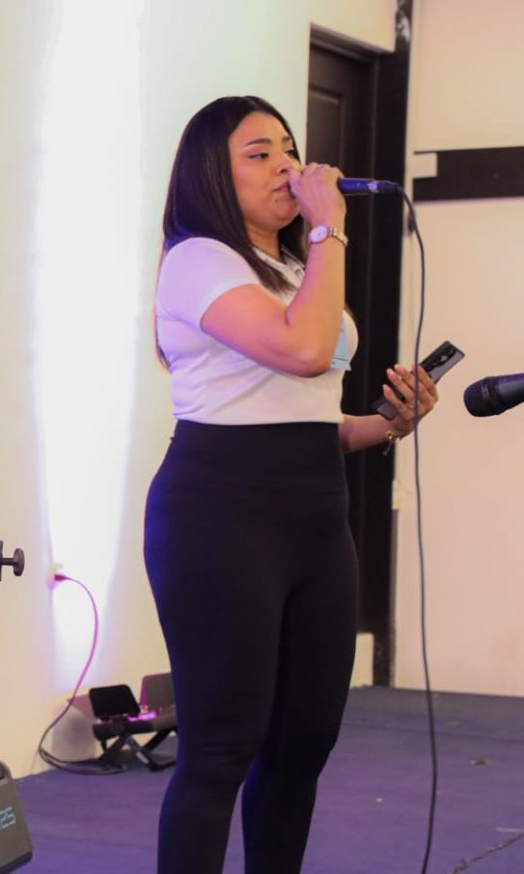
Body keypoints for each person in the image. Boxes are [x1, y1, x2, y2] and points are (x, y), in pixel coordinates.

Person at [144, 95, 438, 873]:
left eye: (288, 147)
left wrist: (389, 422)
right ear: (212, 173)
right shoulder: (199, 260)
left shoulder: (295, 268)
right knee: (221, 747)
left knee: (303, 742)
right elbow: (305, 352)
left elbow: (312, 415)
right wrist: (328, 224)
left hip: (314, 515)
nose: (287, 165)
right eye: (259, 153)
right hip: (221, 516)